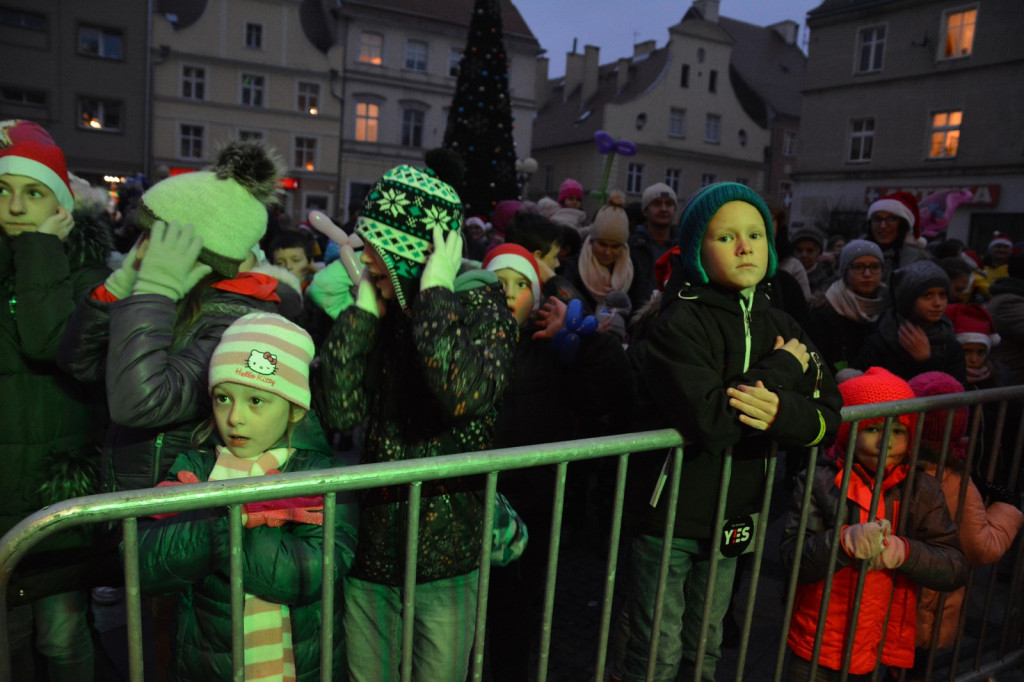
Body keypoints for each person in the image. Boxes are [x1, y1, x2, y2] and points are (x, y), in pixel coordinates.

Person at [623, 182, 843, 682]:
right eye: (726, 237)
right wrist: (785, 369)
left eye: (756, 234)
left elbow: (828, 415)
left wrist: (777, 414)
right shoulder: (678, 324)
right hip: (671, 515)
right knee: (655, 652)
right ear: (698, 249)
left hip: (737, 511)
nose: (745, 246)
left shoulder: (784, 321)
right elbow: (714, 422)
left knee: (707, 647)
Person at [316, 152, 519, 681]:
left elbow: (461, 394)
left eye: (378, 250)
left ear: (412, 255)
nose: (367, 261)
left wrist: (432, 293)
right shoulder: (385, 310)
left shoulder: (480, 307)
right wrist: (362, 309)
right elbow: (339, 409)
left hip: (446, 561)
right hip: (376, 552)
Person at [57, 138, 288, 493]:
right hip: (134, 490)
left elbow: (139, 405)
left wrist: (155, 289)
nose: (142, 250)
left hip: (175, 508)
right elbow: (79, 362)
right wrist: (120, 286)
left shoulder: (237, 321)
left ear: (204, 252)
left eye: (157, 238)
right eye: (144, 237)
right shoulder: (176, 296)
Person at [138, 312, 358, 682]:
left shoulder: (321, 477)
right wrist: (223, 524)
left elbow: (312, 572)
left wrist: (223, 521)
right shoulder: (194, 466)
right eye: (223, 398)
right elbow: (145, 562)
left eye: (256, 400)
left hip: (298, 669)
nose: (235, 417)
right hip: (208, 666)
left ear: (295, 409)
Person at [480, 243, 632, 681]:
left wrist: (587, 343)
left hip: (532, 503)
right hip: (474, 502)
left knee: (519, 611)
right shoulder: (464, 344)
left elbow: (614, 396)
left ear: (538, 298)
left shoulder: (552, 348)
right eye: (497, 283)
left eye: (520, 284)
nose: (508, 293)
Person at [1, 119, 112, 682]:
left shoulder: (85, 272)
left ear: (62, 203)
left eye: (35, 192)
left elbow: (49, 341)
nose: (17, 205)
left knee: (63, 635)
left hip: (53, 487)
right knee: (12, 643)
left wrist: (40, 248)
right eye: (3, 189)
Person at [781, 367, 967, 682]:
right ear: (848, 432)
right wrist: (843, 542)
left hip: (878, 642)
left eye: (898, 430)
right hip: (817, 636)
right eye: (873, 429)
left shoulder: (922, 490)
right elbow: (793, 558)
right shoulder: (820, 482)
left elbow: (954, 565)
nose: (886, 442)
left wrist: (905, 553)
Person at [905, 371, 1023, 681]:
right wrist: (1008, 509)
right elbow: (982, 547)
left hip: (886, 604)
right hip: (927, 609)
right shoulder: (954, 479)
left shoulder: (889, 462)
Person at [852, 260, 966, 384]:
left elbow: (955, 394)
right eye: (927, 295)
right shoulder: (880, 340)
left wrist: (926, 361)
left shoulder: (949, 343)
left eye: (942, 295)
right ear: (907, 298)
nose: (937, 303)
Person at [807, 239, 888, 375]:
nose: (867, 274)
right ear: (845, 271)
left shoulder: (890, 308)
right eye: (858, 267)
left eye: (874, 267)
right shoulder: (825, 313)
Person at [564, 190, 651, 315]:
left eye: (615, 246)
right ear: (592, 241)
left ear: (624, 247)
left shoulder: (635, 269)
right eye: (602, 244)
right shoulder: (573, 267)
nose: (607, 252)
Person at [864, 191, 929, 278]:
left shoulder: (915, 259)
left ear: (902, 225)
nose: (883, 226)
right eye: (877, 219)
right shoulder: (854, 254)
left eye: (891, 219)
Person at [790, 227, 834, 304]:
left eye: (810, 251)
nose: (804, 255)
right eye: (799, 250)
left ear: (819, 253)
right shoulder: (784, 275)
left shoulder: (828, 281)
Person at [973, 231, 1015, 298]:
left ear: (1010, 251)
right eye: (998, 247)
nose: (1002, 250)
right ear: (990, 250)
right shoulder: (980, 268)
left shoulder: (1014, 269)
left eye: (1005, 247)